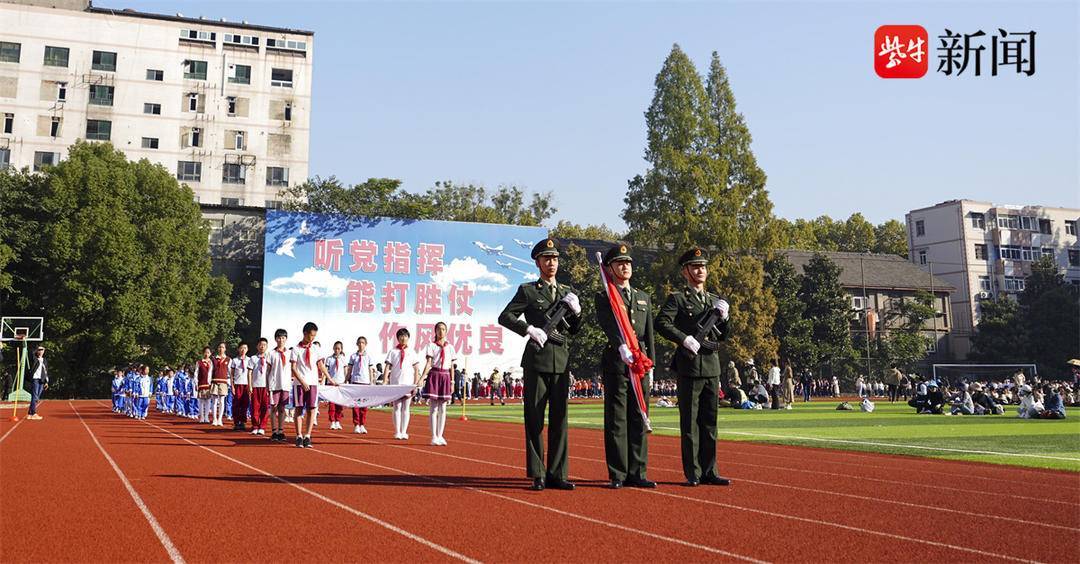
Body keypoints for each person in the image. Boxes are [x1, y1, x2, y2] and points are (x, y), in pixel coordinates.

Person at [497, 238, 583, 492]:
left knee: (560, 419)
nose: (552, 263)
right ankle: (538, 473)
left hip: (561, 361)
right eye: (546, 259)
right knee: (535, 418)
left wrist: (577, 312)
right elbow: (505, 316)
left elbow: (575, 330)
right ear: (537, 262)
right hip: (536, 359)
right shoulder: (529, 290)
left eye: (555, 258)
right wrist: (528, 329)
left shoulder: (567, 291)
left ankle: (558, 473)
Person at [655, 247, 732, 487]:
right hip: (689, 365)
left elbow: (722, 335)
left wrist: (725, 318)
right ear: (686, 271)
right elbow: (661, 322)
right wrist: (683, 338)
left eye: (703, 267)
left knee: (710, 423)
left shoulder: (712, 300)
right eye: (696, 267)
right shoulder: (677, 298)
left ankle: (710, 470)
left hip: (711, 365)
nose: (701, 270)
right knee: (690, 423)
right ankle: (693, 473)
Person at [595, 244, 656, 489]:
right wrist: (620, 344)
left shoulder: (643, 296)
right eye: (620, 263)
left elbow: (648, 333)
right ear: (609, 268)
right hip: (617, 361)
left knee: (639, 417)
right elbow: (609, 324)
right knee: (617, 419)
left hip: (639, 363)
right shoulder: (606, 296)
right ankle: (618, 473)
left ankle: (637, 472)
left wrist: (652, 365)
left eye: (628, 263)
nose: (625, 267)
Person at [421, 322, 457, 446]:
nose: (441, 331)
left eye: (443, 329)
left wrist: (452, 381)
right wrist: (422, 378)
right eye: (438, 329)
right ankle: (433, 436)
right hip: (434, 375)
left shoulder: (450, 347)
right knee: (434, 408)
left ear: (446, 331)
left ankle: (440, 435)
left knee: (443, 408)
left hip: (445, 376)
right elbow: (429, 363)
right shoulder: (431, 346)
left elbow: (452, 365)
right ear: (435, 331)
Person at [290, 322, 326, 448]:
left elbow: (321, 365)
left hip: (313, 383)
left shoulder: (316, 349)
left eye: (314, 336)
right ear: (305, 333)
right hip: (299, 384)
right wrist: (302, 382)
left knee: (312, 409)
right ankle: (299, 435)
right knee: (299, 409)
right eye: (311, 335)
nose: (313, 338)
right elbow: (293, 368)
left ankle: (307, 436)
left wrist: (330, 379)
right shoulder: (296, 349)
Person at [385, 327, 420, 440]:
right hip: (396, 383)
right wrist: (385, 380)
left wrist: (415, 383)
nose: (403, 338)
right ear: (397, 338)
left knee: (406, 408)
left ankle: (404, 431)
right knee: (397, 407)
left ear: (408, 338)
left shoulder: (412, 352)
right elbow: (387, 367)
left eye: (405, 336)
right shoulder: (393, 351)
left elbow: (416, 369)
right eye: (401, 336)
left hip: (408, 384)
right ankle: (397, 431)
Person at [347, 336, 375, 434]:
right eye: (359, 342)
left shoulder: (368, 356)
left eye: (362, 343)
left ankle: (362, 424)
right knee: (356, 405)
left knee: (364, 405)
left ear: (365, 344)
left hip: (365, 382)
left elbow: (370, 370)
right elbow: (349, 369)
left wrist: (371, 382)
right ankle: (356, 424)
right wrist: (346, 380)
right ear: (357, 344)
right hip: (355, 381)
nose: (361, 344)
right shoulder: (353, 356)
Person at [267, 329, 291, 442]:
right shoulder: (271, 353)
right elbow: (268, 371)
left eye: (283, 338)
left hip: (285, 385)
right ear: (275, 339)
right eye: (279, 338)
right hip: (274, 384)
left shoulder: (290, 353)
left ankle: (281, 431)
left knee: (282, 408)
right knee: (273, 408)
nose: (281, 340)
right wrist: (268, 385)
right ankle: (273, 431)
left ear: (286, 339)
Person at [249, 338, 271, 435]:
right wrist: (250, 385)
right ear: (257, 346)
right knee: (255, 407)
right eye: (260, 345)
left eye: (264, 345)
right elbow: (249, 373)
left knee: (265, 407)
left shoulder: (269, 358)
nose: (262, 347)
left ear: (267, 347)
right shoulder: (253, 358)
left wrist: (270, 386)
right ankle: (255, 426)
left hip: (265, 386)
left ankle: (262, 426)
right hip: (255, 386)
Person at [323, 341, 347, 430]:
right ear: (333, 348)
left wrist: (345, 381)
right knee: (332, 404)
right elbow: (326, 370)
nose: (337, 350)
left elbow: (345, 370)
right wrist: (325, 381)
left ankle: (338, 421)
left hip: (340, 383)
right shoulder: (329, 359)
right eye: (335, 348)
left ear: (341, 349)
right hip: (332, 383)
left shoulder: (343, 359)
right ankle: (332, 421)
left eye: (339, 349)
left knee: (339, 404)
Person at [229, 343, 252, 431]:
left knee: (245, 404)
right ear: (238, 349)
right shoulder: (235, 360)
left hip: (246, 384)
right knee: (236, 404)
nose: (243, 350)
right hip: (237, 384)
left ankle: (242, 422)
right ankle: (236, 422)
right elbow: (231, 374)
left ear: (247, 349)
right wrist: (232, 386)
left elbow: (251, 373)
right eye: (241, 348)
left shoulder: (249, 360)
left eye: (245, 348)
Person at [209, 343, 230, 427]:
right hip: (214, 381)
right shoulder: (213, 359)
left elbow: (229, 372)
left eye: (223, 347)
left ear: (225, 349)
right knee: (214, 401)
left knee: (221, 401)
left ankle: (220, 419)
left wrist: (228, 382)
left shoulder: (228, 359)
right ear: (218, 348)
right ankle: (214, 419)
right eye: (220, 347)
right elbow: (210, 371)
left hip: (223, 382)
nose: (221, 349)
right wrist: (209, 382)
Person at [25, 346, 49, 420]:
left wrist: (46, 382)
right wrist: (36, 350)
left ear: (44, 351)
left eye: (42, 349)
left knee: (36, 397)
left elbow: (45, 372)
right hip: (35, 379)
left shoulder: (44, 360)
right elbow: (31, 353)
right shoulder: (34, 359)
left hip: (41, 380)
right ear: (37, 351)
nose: (41, 351)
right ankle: (34, 413)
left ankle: (29, 413)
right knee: (35, 396)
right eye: (39, 350)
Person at [194, 347, 213, 423]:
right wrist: (196, 383)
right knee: (201, 401)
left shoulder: (211, 362)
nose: (207, 354)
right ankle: (201, 417)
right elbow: (196, 373)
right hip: (201, 383)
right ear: (203, 353)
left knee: (208, 401)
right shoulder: (199, 362)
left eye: (208, 352)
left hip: (209, 384)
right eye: (205, 352)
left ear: (210, 354)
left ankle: (206, 417)